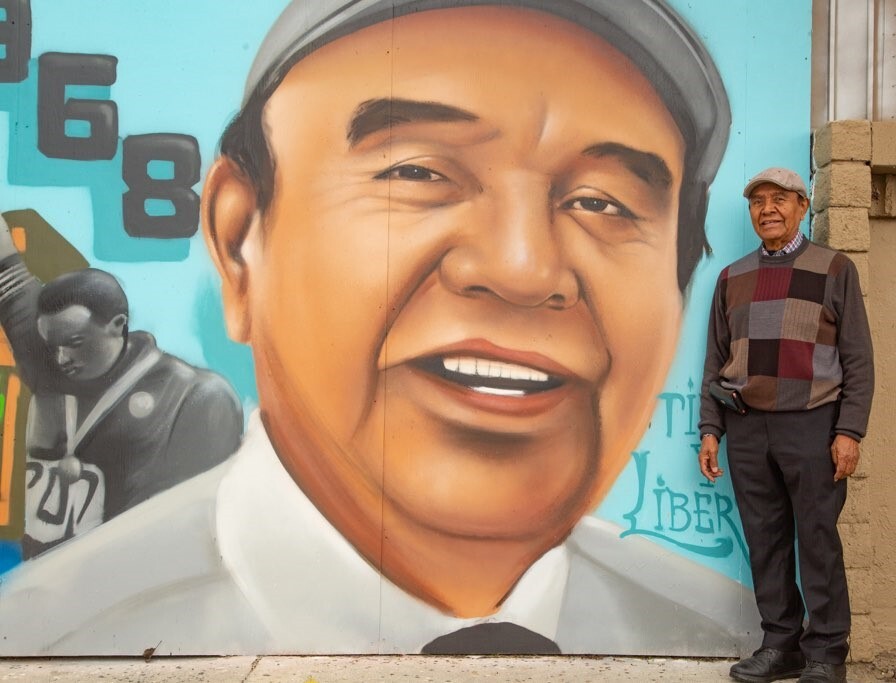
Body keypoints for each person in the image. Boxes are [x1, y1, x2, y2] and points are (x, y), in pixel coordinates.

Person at [0, 0, 760, 655]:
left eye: (605, 202)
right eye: (418, 171)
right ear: (239, 244)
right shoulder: (52, 634)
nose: (525, 268)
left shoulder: (716, 628)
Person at [697, 167, 874, 683]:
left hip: (812, 425)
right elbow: (716, 360)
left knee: (817, 539)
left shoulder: (834, 268)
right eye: (758, 202)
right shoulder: (732, 277)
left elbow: (858, 358)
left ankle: (826, 654)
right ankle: (781, 645)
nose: (767, 209)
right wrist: (712, 428)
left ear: (803, 205)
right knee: (765, 539)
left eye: (780, 199)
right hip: (748, 428)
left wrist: (850, 431)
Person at [0, 227, 244, 555]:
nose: (61, 359)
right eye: (52, 345)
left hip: (122, 585)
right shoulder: (54, 357)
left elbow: (185, 531)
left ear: (118, 325)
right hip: (44, 582)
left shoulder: (192, 399)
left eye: (75, 344)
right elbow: (11, 284)